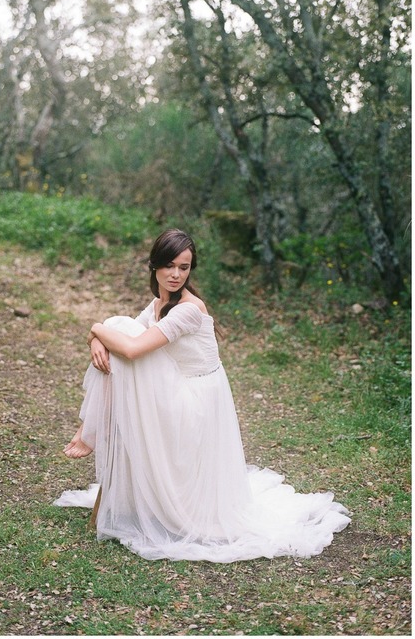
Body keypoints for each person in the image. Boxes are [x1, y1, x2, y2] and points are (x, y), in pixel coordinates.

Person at [55, 229, 350, 562]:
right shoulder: (158, 304)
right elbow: (120, 338)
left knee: (118, 332)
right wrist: (97, 338)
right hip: (178, 386)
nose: (176, 274)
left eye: (184, 267)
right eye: (169, 265)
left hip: (196, 401)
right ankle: (91, 430)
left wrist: (95, 328)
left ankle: (89, 430)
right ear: (154, 266)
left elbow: (133, 349)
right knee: (119, 325)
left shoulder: (189, 310)